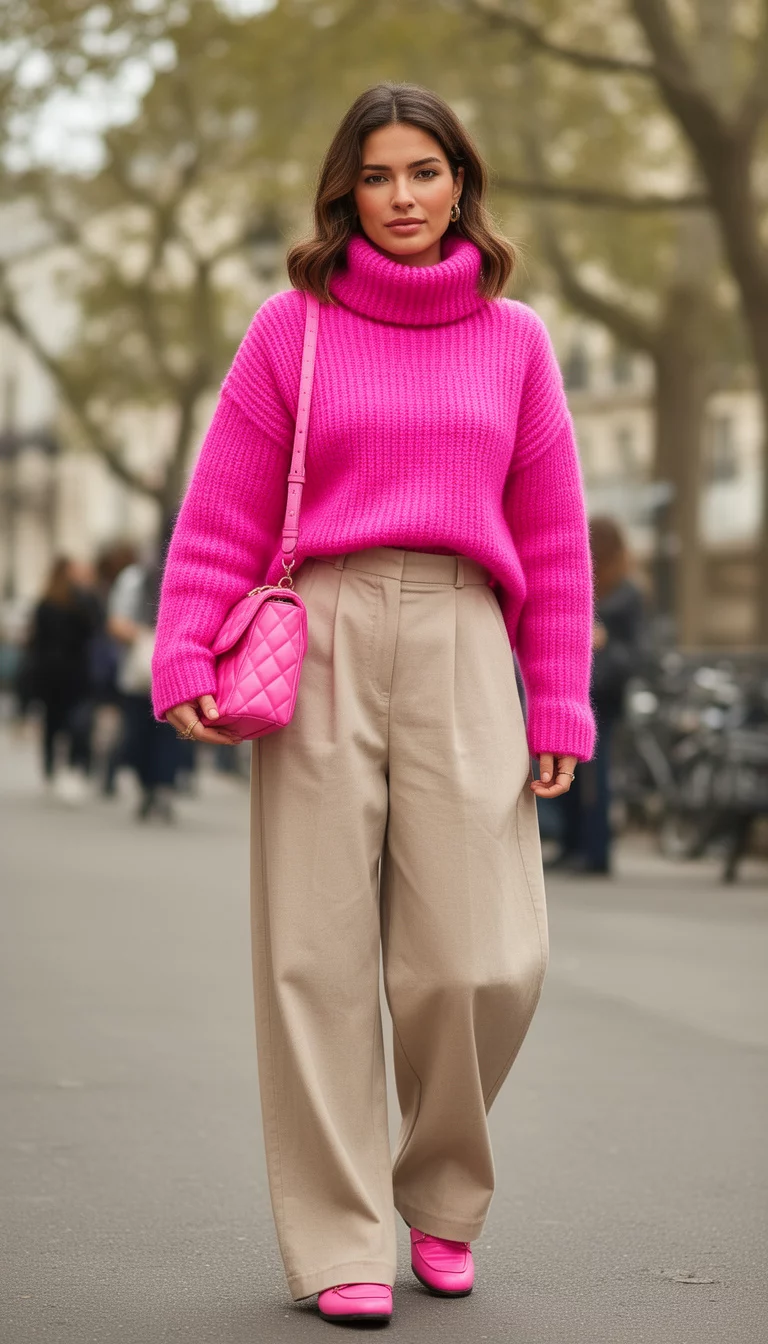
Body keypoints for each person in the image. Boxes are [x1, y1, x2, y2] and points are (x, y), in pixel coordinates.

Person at [151, 83, 596, 1324]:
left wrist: (560, 700)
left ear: (463, 182)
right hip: (322, 633)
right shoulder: (290, 327)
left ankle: (442, 1195)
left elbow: (555, 541)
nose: (403, 197)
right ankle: (339, 1241)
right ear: (344, 189)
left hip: (465, 634)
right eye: (379, 175)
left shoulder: (517, 340)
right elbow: (225, 509)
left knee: (485, 960)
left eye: (426, 172)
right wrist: (184, 651)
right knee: (316, 954)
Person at [549, 516, 645, 876]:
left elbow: (635, 651)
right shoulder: (590, 581)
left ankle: (596, 851)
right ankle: (574, 843)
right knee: (571, 770)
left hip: (604, 693)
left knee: (596, 776)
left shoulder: (626, 591)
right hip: (580, 689)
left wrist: (601, 641)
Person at [107, 553, 187, 822]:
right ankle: (153, 788)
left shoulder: (136, 576)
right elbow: (116, 623)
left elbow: (115, 624)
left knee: (159, 734)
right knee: (151, 733)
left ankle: (159, 788)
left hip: (157, 674)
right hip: (153, 674)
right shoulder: (136, 578)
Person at [23, 555, 99, 802]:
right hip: (74, 673)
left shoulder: (44, 602)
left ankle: (50, 771)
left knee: (51, 723)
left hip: (48, 674)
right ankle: (75, 768)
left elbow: (35, 641)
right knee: (76, 722)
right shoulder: (80, 601)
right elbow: (93, 630)